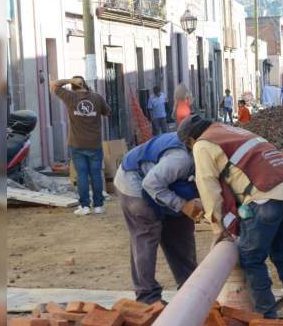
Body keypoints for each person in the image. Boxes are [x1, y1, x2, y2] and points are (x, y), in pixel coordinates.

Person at [180, 116, 283, 319]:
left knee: (251, 257)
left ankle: (266, 317)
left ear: (190, 140)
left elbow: (208, 188)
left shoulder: (202, 144)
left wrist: (218, 228)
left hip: (266, 197)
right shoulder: (233, 131)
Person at [114, 131, 204, 304]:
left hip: (165, 184)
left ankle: (189, 289)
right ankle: (147, 297)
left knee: (181, 231)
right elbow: (150, 183)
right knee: (146, 233)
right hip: (135, 181)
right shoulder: (181, 159)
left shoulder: (210, 155)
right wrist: (182, 205)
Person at [50, 76, 110, 215]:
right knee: (95, 174)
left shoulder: (69, 97)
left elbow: (54, 86)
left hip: (76, 144)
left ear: (73, 86)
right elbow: (108, 112)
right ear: (85, 84)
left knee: (82, 175)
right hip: (94, 144)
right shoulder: (97, 98)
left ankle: (84, 206)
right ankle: (99, 206)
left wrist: (69, 80)